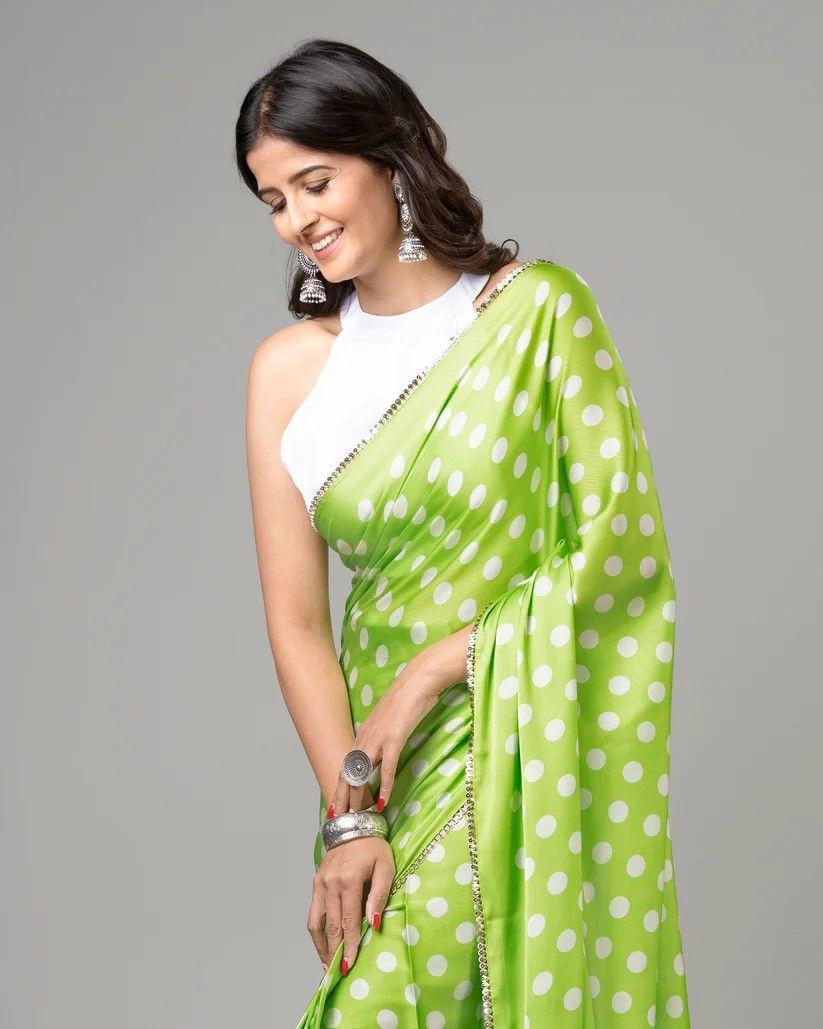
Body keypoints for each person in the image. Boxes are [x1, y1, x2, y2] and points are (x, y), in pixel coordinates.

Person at [237, 37, 691, 1028]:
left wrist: (438, 667)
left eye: (314, 182)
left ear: (390, 155)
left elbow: (620, 556)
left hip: (515, 742)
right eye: (273, 200)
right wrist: (352, 818)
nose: (297, 220)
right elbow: (297, 622)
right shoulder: (287, 371)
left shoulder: (539, 315)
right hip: (382, 775)